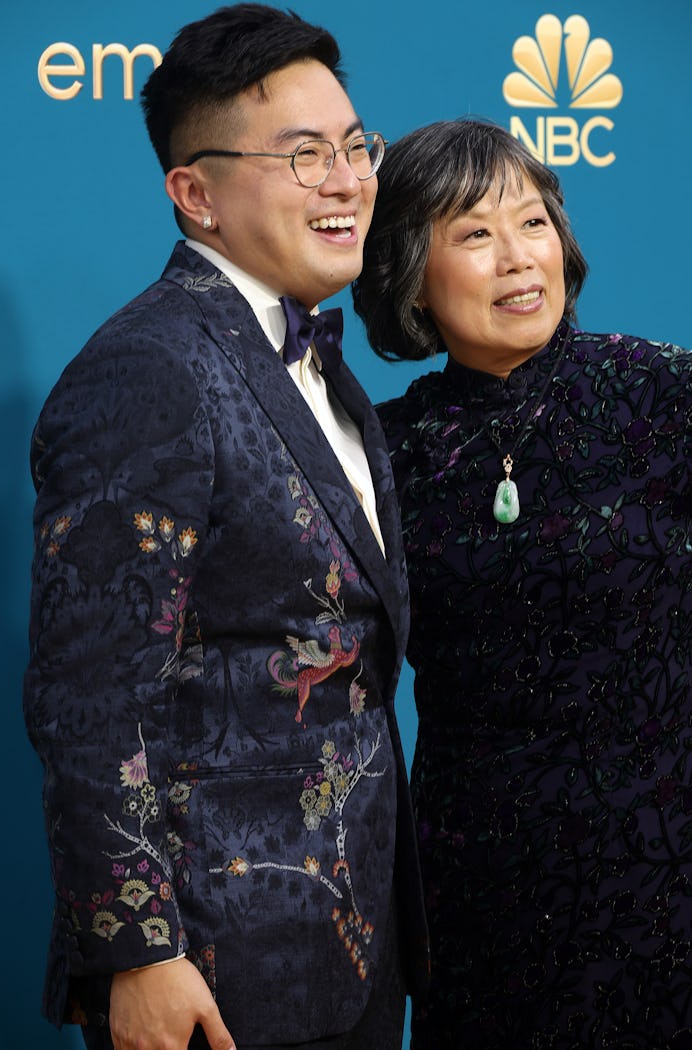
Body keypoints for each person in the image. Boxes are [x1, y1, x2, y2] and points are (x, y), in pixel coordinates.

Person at [23, 6, 430, 1049]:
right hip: (214, 967)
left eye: (354, 146)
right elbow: (91, 700)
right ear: (194, 195)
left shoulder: (325, 368)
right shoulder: (151, 368)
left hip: (349, 947)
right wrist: (137, 952)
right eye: (302, 156)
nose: (346, 181)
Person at [353, 116, 692, 1049]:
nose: (517, 259)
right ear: (409, 272)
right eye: (473, 233)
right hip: (479, 891)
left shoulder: (661, 397)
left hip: (661, 879)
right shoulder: (380, 448)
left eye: (533, 223)